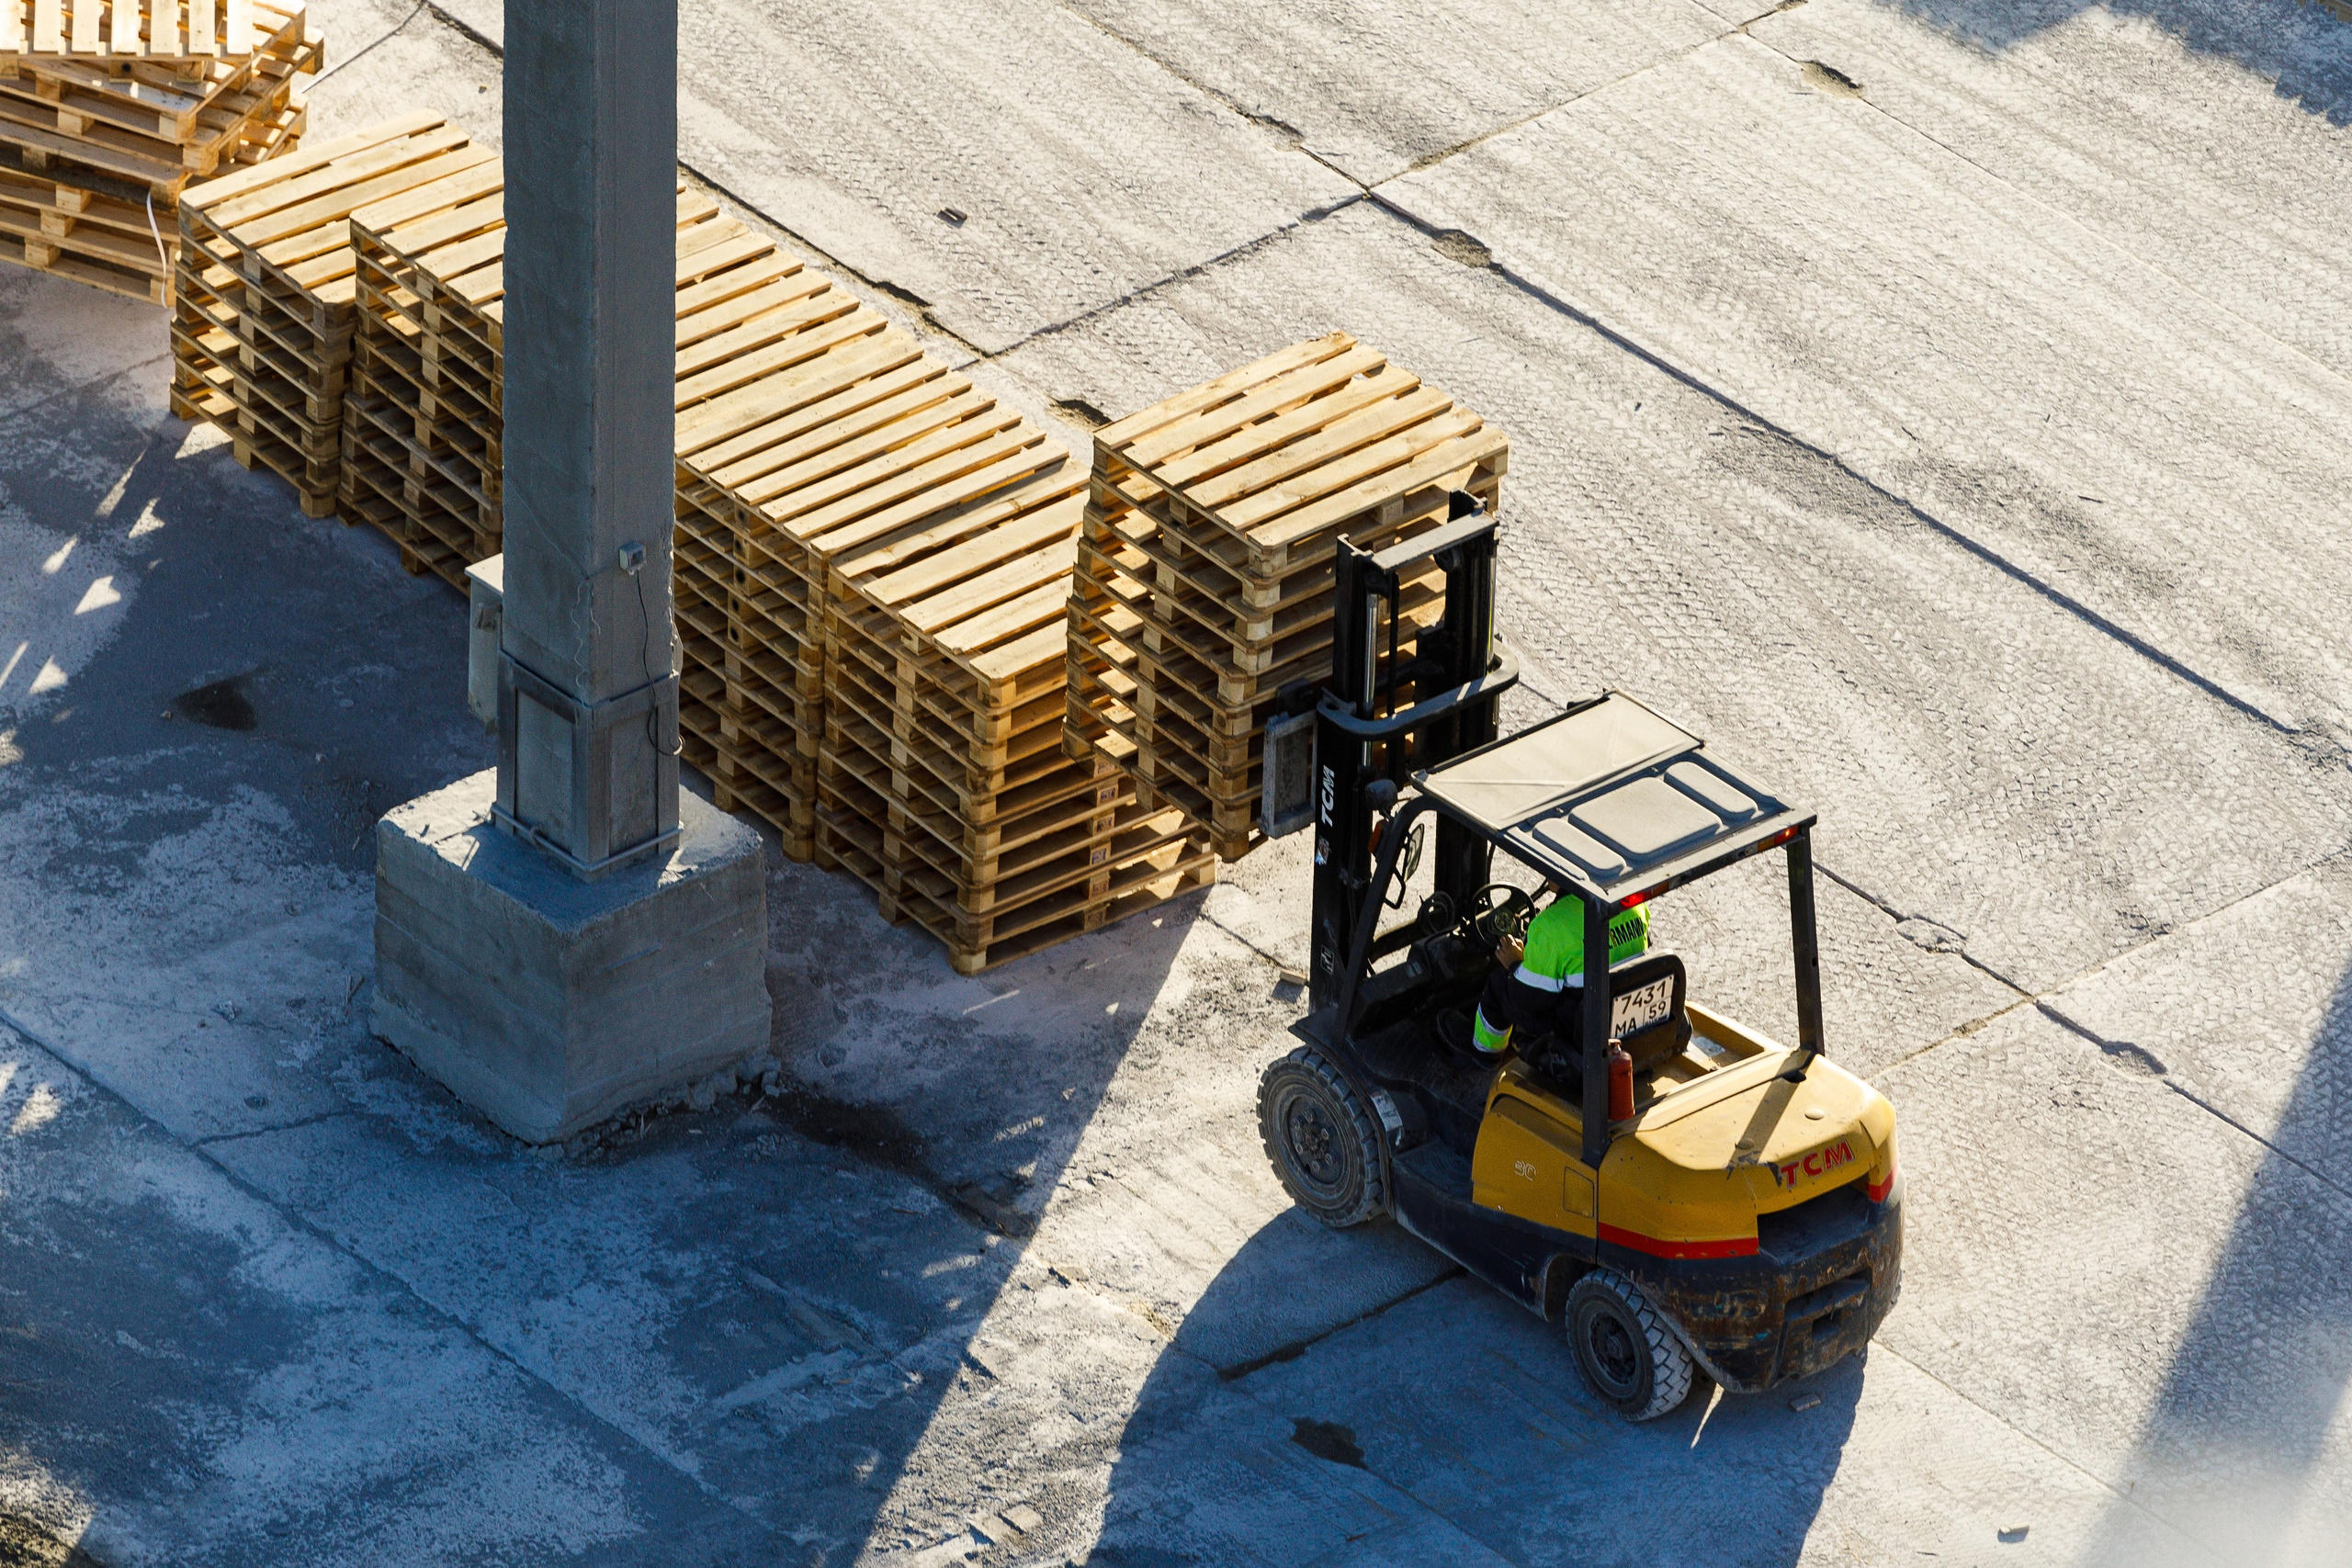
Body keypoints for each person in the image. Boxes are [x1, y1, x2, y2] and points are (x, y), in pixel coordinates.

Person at [1452, 888, 1650, 1060]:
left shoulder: (1550, 926)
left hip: (1575, 1035)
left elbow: (1524, 999)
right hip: (1618, 1016)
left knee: (1499, 983)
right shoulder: (1634, 906)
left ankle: (1485, 1054)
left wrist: (1514, 963)